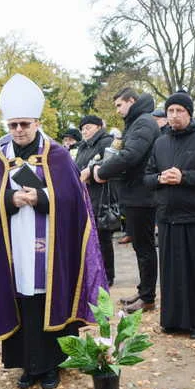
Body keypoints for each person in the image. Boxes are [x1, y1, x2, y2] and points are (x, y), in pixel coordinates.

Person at [0, 74, 106, 389]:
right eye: (13, 125)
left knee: (48, 298)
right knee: (22, 301)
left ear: (37, 122)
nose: (18, 130)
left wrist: (43, 198)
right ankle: (27, 366)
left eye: (24, 124)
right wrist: (9, 199)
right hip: (14, 246)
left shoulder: (57, 155)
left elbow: (74, 200)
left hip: (50, 251)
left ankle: (52, 366)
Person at [143, 92, 195, 339]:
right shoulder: (160, 143)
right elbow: (146, 177)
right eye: (170, 111)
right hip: (167, 217)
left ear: (189, 114)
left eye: (180, 111)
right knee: (171, 273)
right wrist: (159, 178)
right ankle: (173, 319)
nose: (174, 115)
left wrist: (185, 177)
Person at [94, 87, 160, 314]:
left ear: (132, 101)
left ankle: (148, 296)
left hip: (142, 195)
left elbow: (131, 155)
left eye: (120, 105)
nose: (118, 110)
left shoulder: (143, 123)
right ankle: (144, 291)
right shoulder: (138, 122)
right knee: (141, 247)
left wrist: (101, 172)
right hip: (135, 193)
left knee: (145, 248)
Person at [76, 114, 116, 285]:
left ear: (99, 127)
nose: (85, 131)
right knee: (89, 237)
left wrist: (91, 171)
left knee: (103, 238)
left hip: (102, 197)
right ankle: (92, 272)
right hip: (85, 195)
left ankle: (108, 275)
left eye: (88, 127)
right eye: (82, 128)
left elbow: (110, 165)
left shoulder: (107, 142)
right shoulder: (82, 146)